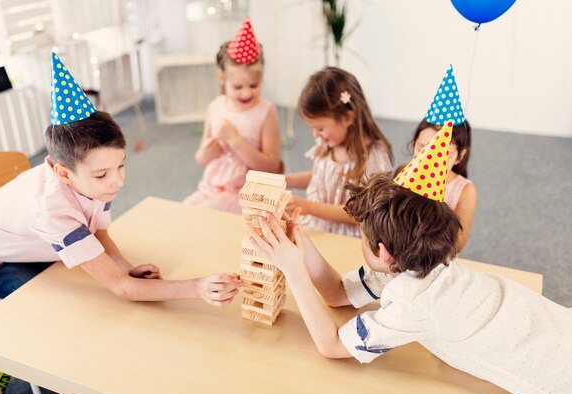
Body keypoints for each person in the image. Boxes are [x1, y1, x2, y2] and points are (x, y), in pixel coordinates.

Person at [251, 123, 572, 394]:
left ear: (382, 250)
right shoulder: (419, 259)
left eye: (362, 235)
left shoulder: (413, 301)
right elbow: (336, 295)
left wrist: (293, 270)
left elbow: (331, 346)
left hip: (557, 375)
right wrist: (301, 243)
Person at [0, 52, 242, 307]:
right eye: (102, 174)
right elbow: (122, 289)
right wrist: (197, 288)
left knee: (84, 290)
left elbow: (98, 234)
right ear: (63, 173)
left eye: (121, 166)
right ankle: (6, 367)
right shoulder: (52, 211)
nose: (117, 182)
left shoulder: (92, 184)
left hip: (29, 237)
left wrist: (126, 268)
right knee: (50, 311)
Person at [184, 18, 282, 213]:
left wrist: (233, 139)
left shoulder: (266, 111)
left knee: (204, 215)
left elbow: (272, 167)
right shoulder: (215, 107)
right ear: (222, 78)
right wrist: (206, 153)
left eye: (253, 86)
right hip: (209, 188)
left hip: (243, 194)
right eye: (237, 87)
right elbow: (201, 158)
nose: (246, 93)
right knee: (182, 212)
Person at [285, 67, 393, 237]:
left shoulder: (373, 157)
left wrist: (309, 207)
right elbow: (319, 177)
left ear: (347, 118)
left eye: (319, 128)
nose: (315, 135)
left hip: (348, 239)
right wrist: (284, 180)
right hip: (317, 230)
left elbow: (362, 212)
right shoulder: (328, 143)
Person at [398, 65, 476, 251]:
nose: (430, 160)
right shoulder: (403, 173)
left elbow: (458, 243)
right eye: (423, 148)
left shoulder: (465, 191)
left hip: (438, 262)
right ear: (413, 143)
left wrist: (434, 209)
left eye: (442, 154)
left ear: (459, 157)